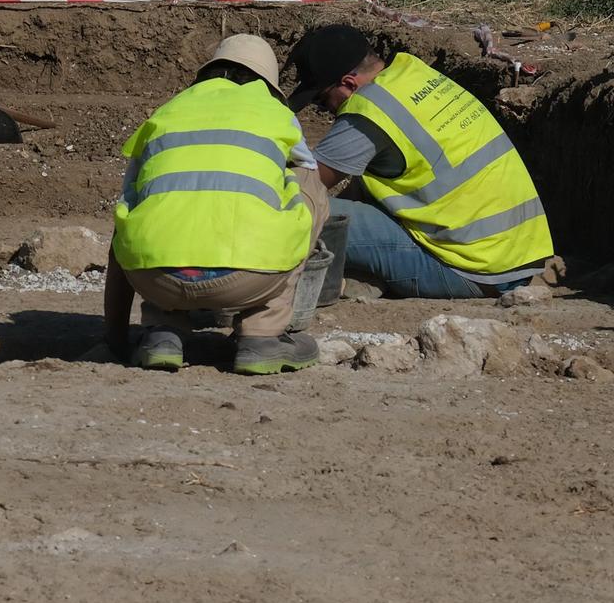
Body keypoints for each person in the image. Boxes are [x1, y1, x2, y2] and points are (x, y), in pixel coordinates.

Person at [102, 35, 328, 375]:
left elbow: (124, 217)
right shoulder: (275, 112)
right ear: (267, 82)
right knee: (310, 184)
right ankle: (262, 333)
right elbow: (306, 171)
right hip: (248, 278)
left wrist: (115, 338)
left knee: (146, 201)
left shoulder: (167, 112)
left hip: (156, 280)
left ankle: (163, 330)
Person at [286, 24, 553, 299]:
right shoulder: (414, 74)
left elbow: (302, 186)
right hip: (517, 258)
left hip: (469, 271)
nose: (326, 110)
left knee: (291, 207)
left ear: (349, 84)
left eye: (322, 99)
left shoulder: (368, 112)